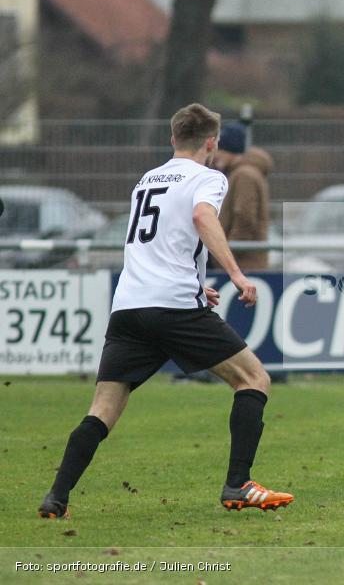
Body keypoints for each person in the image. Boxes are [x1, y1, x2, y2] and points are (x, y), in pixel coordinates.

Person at [38, 103, 293, 519]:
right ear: (211, 143)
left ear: (173, 138)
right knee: (254, 378)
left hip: (129, 306)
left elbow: (157, 243)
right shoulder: (209, 177)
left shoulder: (146, 180)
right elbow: (201, 216)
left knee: (102, 409)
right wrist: (236, 274)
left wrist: (196, 285)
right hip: (172, 305)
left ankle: (56, 498)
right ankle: (238, 485)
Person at [213, 122, 272, 271]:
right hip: (245, 263)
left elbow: (244, 215)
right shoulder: (244, 173)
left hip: (242, 264)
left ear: (230, 150)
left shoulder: (243, 175)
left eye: (220, 150)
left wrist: (228, 253)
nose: (215, 155)